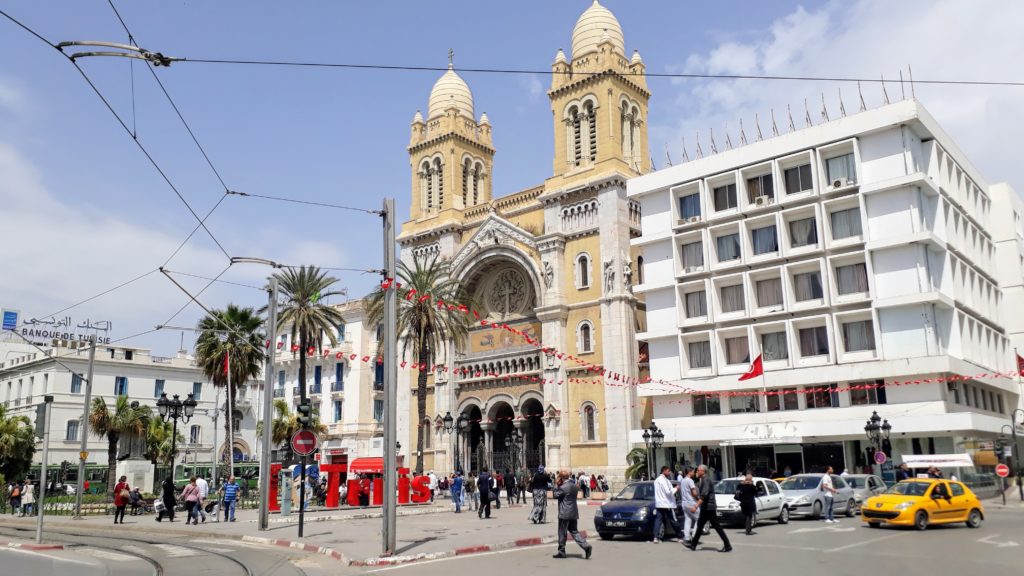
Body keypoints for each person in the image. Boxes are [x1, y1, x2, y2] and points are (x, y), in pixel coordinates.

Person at [684, 465, 732, 553]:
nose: (697, 472)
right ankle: (693, 545)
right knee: (699, 525)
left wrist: (695, 506)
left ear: (703, 471)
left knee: (717, 526)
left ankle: (727, 545)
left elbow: (704, 495)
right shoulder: (701, 479)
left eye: (698, 470)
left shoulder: (706, 479)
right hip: (705, 507)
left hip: (709, 507)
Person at [551, 470, 592, 559]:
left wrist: (555, 485)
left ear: (561, 478)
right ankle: (586, 546)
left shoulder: (563, 487)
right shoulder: (574, 486)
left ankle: (561, 551)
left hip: (564, 513)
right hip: (573, 512)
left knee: (562, 532)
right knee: (574, 531)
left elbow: (555, 495)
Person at [652, 466, 681, 543]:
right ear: (664, 471)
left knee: (658, 520)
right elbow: (668, 492)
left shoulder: (656, 480)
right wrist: (676, 488)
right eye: (668, 471)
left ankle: (656, 537)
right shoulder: (664, 481)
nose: (669, 472)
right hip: (667, 504)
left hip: (659, 504)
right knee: (673, 520)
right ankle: (680, 536)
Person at [677, 467, 698, 545]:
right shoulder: (690, 481)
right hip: (691, 502)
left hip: (684, 503)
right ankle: (695, 536)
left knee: (688, 519)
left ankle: (687, 537)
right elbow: (694, 492)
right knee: (699, 519)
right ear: (690, 472)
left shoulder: (682, 481)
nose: (694, 473)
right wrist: (698, 498)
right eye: (693, 472)